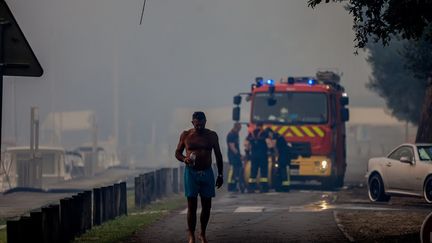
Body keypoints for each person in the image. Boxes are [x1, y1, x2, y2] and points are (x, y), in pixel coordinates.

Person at [175, 111, 224, 243]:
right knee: (192, 205)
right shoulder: (186, 135)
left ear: (205, 122)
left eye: (202, 124)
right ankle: (191, 235)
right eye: (197, 125)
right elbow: (177, 153)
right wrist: (184, 159)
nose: (199, 127)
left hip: (207, 172)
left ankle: (202, 233)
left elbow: (219, 156)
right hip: (191, 173)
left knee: (207, 205)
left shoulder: (212, 136)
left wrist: (220, 174)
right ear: (193, 123)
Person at [245, 123, 269, 193]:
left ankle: (251, 188)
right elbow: (269, 144)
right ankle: (264, 188)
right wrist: (272, 151)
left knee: (253, 172)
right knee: (263, 173)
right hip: (263, 156)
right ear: (262, 126)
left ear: (256, 126)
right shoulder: (264, 133)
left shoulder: (251, 133)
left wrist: (247, 153)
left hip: (254, 156)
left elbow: (246, 144)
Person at [226, 123, 243, 192]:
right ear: (236, 128)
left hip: (236, 155)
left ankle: (234, 186)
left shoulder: (236, 134)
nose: (239, 130)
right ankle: (230, 186)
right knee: (233, 170)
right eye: (239, 129)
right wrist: (238, 155)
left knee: (237, 171)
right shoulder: (231, 135)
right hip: (232, 155)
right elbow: (232, 147)